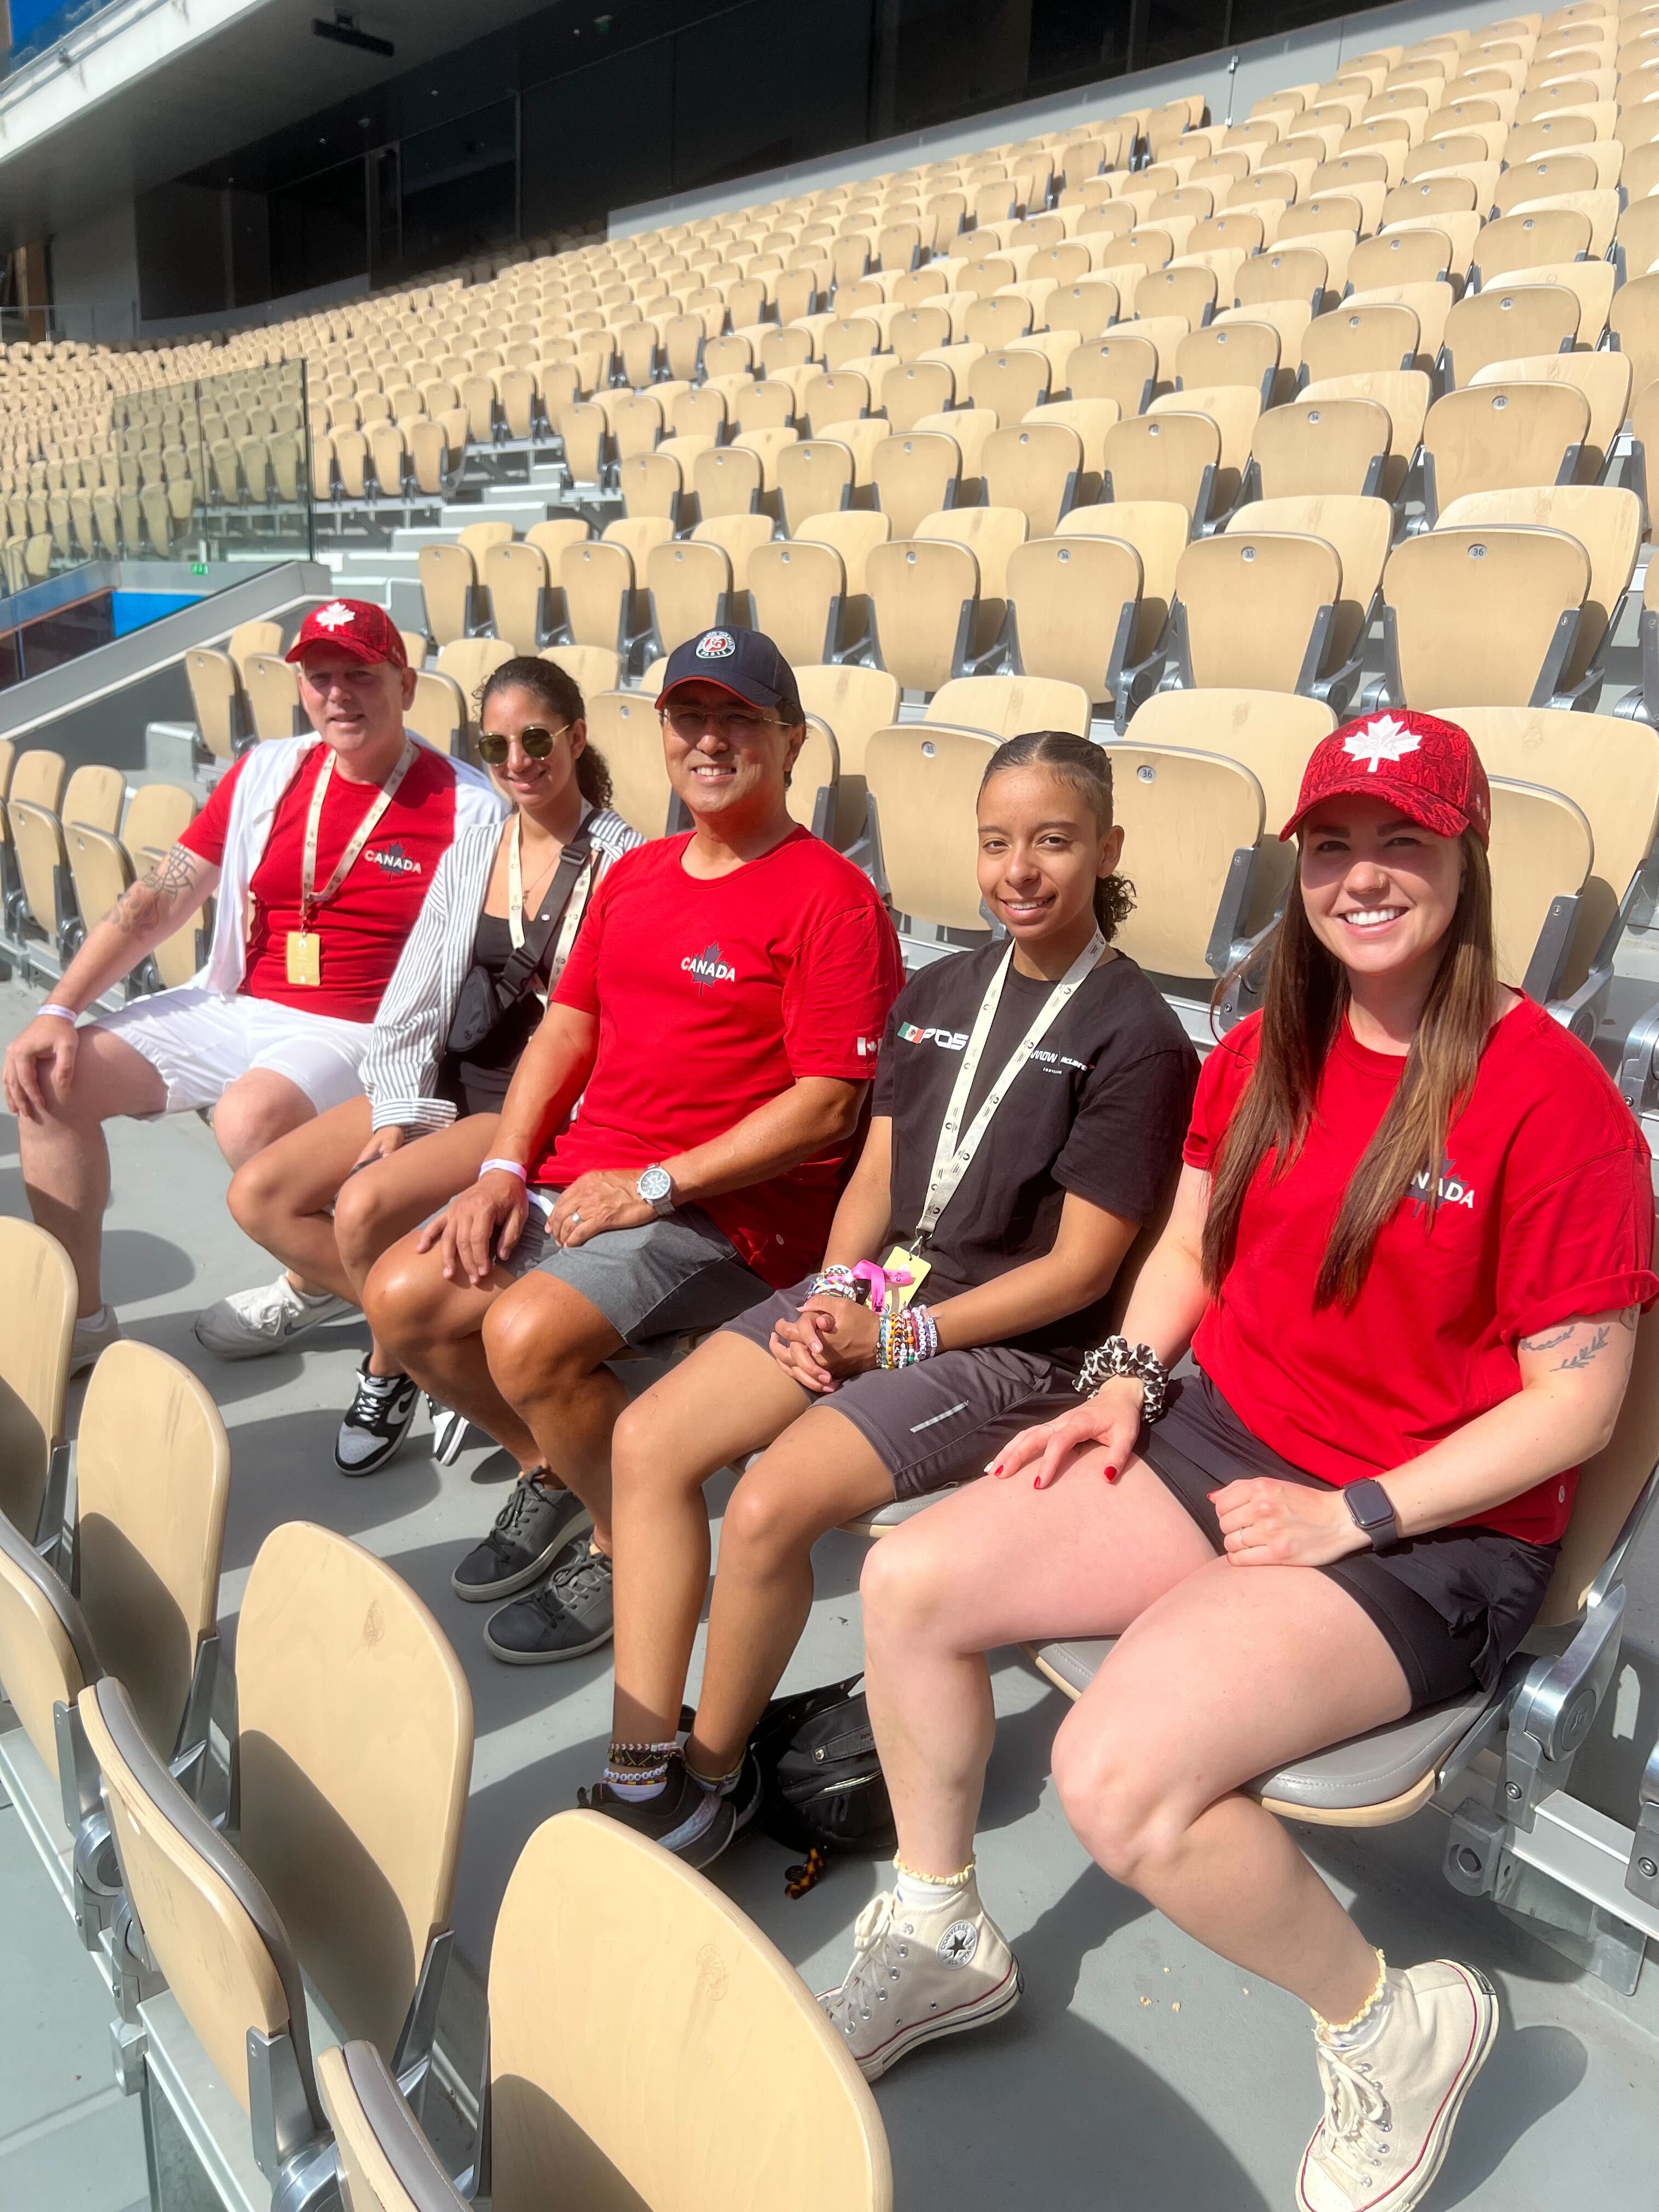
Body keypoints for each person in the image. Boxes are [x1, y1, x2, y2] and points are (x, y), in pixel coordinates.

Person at [819, 713, 1657, 2212]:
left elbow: (1575, 1413)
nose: (1363, 876)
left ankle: (1394, 2020)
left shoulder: (1556, 1103)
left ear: (1468, 860)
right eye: (1334, 845)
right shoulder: (1275, 1029)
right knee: (915, 1577)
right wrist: (1131, 1382)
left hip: (1426, 1527)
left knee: (1117, 1778)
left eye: (1404, 841)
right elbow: (1198, 1227)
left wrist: (1356, 1513)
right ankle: (941, 1930)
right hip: (1224, 1439)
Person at [582, 731, 1196, 1864]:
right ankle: (640, 1764)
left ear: (1106, 848)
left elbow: (1082, 1273)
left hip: (1011, 1347)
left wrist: (896, 1334)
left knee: (768, 1502)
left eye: (1054, 842)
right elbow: (876, 1171)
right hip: (871, 1297)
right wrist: (833, 1293)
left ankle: (716, 1778)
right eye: (998, 841)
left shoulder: (1138, 1037)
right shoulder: (937, 988)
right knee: (650, 1440)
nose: (1020, 868)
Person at [363, 626, 904, 1661]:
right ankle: (564, 1470)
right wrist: (502, 1169)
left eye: (740, 719)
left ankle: (627, 1539)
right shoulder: (638, 874)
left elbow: (830, 1106)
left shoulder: (832, 897)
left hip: (727, 1215)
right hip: (589, 1179)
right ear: (661, 735)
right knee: (403, 1301)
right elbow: (568, 1028)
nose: (711, 740)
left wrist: (652, 1186)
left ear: (792, 742)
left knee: (523, 1334)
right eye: (690, 717)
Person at [2, 599, 503, 1371]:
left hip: (362, 1030)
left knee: (247, 1118)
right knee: (50, 1079)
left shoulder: (467, 806)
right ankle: (84, 1324)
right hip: (237, 1000)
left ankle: (321, 1282)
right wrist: (59, 1007)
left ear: (405, 685)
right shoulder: (266, 772)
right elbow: (159, 896)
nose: (339, 694)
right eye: (320, 676)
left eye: (361, 676)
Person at [191, 657, 641, 1474]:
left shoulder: (626, 862)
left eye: (536, 738)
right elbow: (412, 1001)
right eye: (495, 744)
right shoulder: (475, 851)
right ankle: (423, 1347)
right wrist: (398, 1115)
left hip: (529, 1107)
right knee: (260, 1194)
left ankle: (391, 1364)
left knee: (362, 1206)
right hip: (442, 1087)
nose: (517, 761)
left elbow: (603, 1034)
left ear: (575, 739)